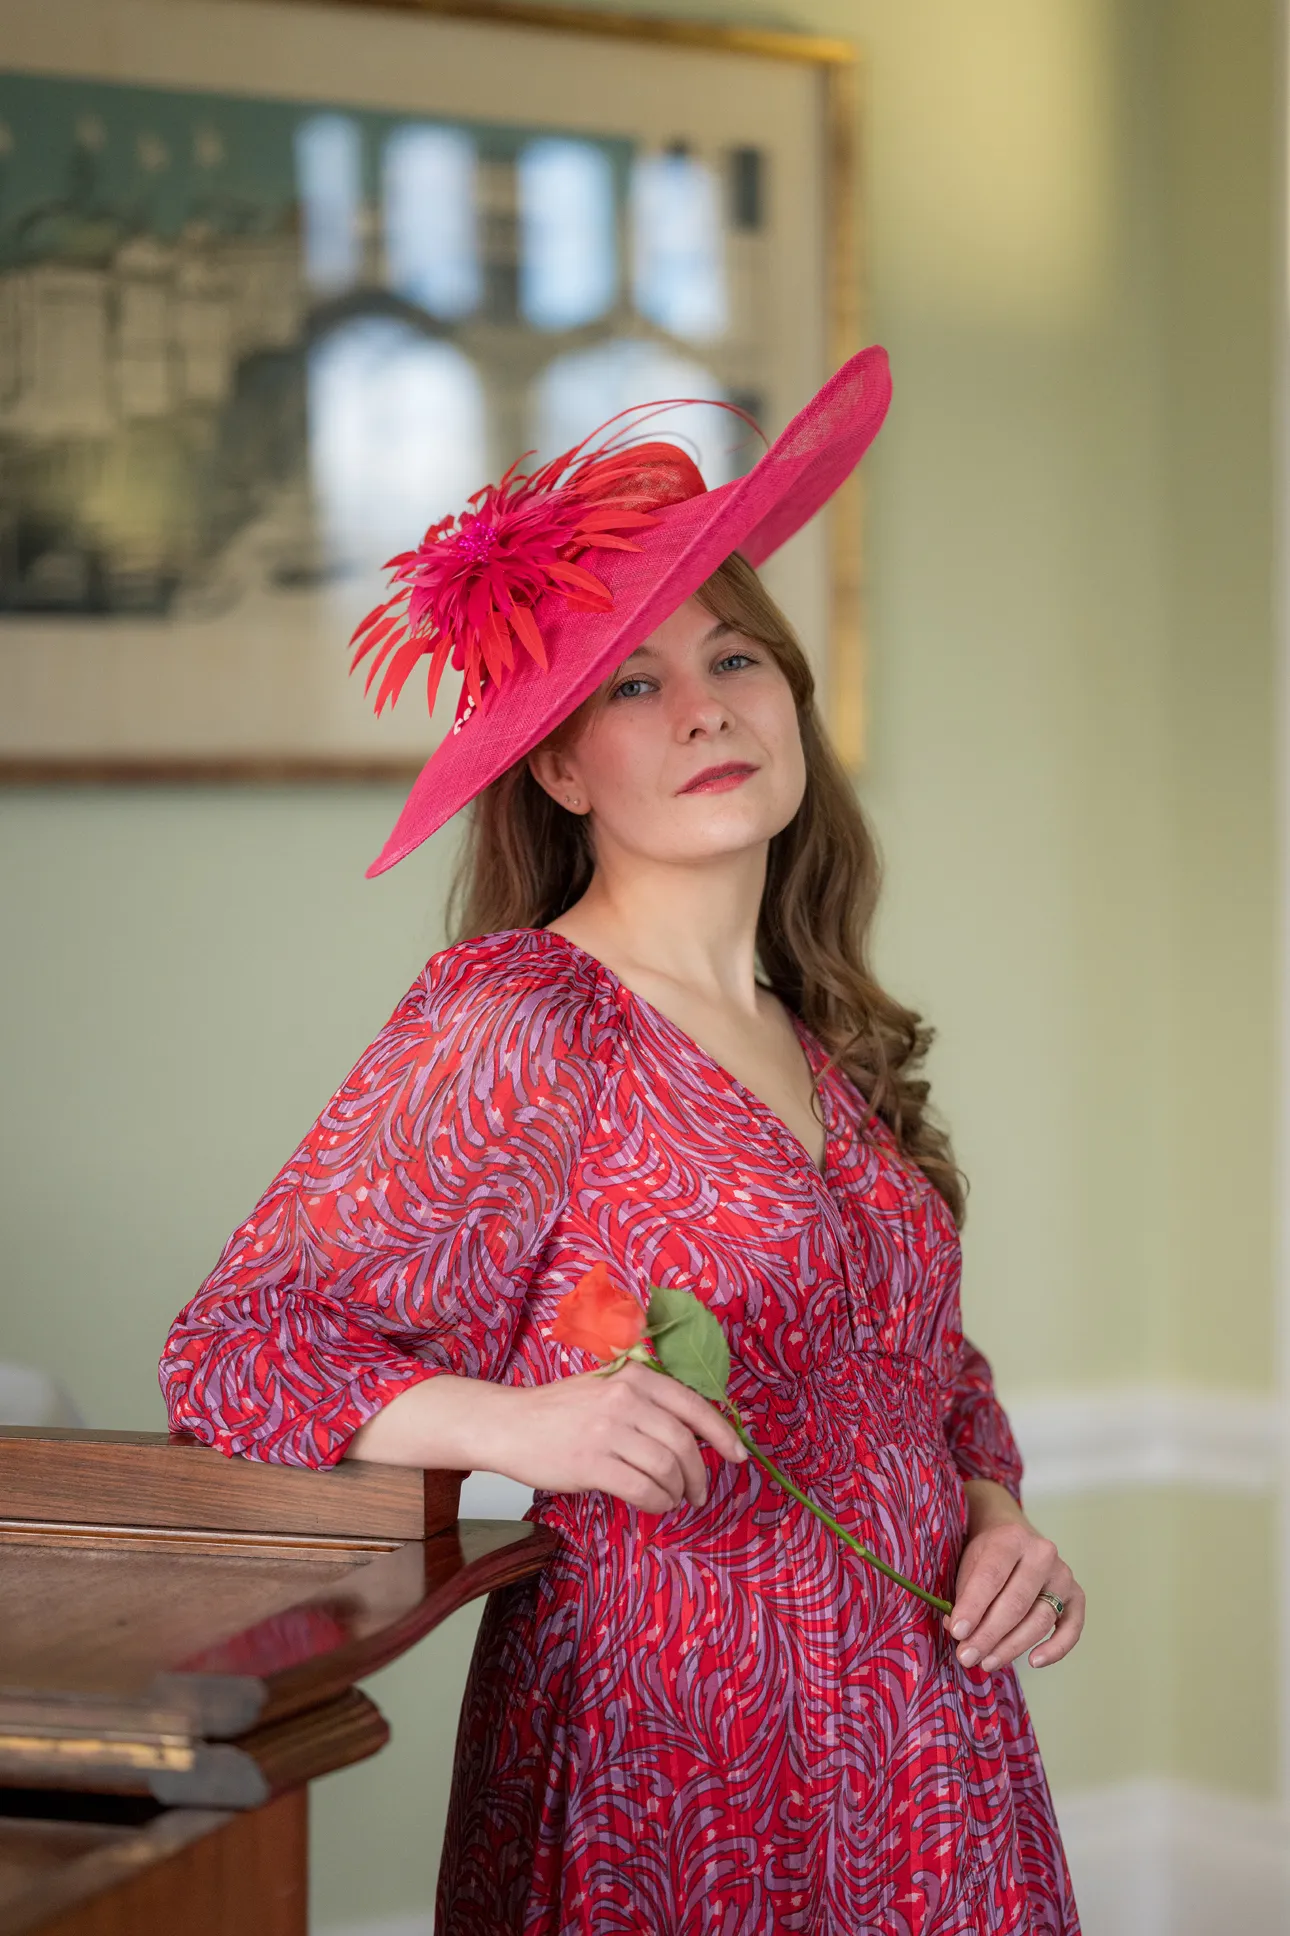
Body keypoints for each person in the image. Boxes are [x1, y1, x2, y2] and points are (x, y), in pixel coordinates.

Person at [160, 347, 1084, 1934]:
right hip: (672, 1755)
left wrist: (1001, 1526)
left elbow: (925, 1372)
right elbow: (236, 1350)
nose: (707, 710)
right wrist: (516, 1433)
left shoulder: (824, 1034)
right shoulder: (526, 1015)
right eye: (633, 685)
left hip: (934, 1747)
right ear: (559, 762)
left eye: (736, 661)